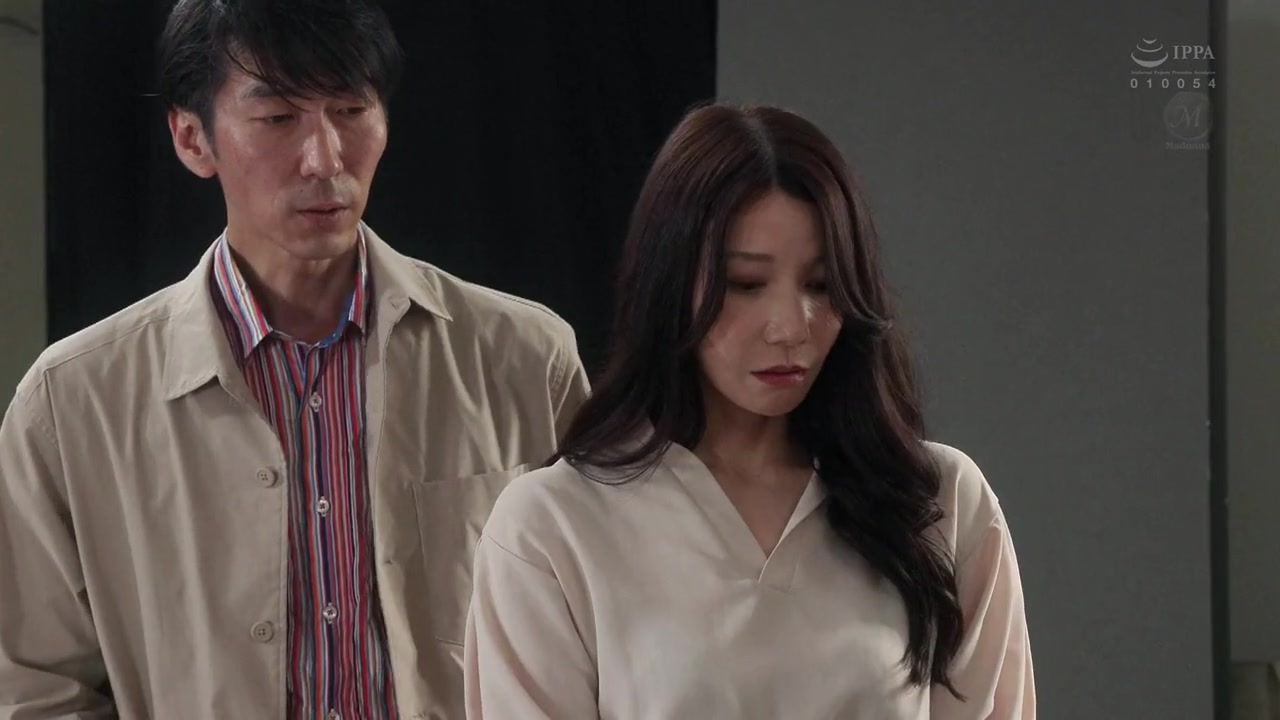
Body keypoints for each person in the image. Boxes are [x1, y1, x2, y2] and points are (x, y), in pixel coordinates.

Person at [0, 1, 588, 718]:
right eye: (278, 118)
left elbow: (597, 635)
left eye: (350, 110)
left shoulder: (524, 360)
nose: (325, 159)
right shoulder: (72, 402)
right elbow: (36, 691)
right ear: (192, 138)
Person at [464, 103, 1035, 719]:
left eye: (821, 284)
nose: (791, 327)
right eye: (745, 284)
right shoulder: (551, 526)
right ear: (668, 285)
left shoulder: (941, 503)